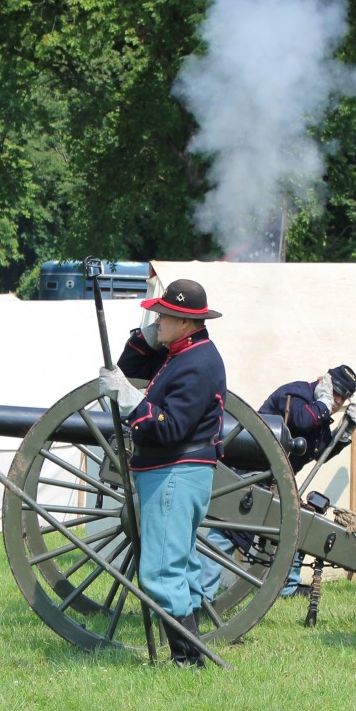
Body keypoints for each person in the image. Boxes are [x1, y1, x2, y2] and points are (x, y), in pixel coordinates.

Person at [98, 279, 226, 667]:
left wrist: (132, 400)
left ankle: (189, 660)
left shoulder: (197, 363)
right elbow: (128, 368)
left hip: (175, 470)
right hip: (172, 471)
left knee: (159, 572)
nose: (157, 320)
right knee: (180, 569)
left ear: (186, 322)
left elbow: (170, 427)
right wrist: (145, 339)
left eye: (163, 316)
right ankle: (190, 656)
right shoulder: (180, 353)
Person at [257, 365, 356, 596]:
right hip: (253, 473)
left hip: (278, 480)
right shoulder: (295, 395)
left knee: (300, 522)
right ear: (323, 381)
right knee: (227, 535)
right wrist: (324, 403)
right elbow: (302, 420)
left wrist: (344, 434)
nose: (337, 401)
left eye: (342, 397)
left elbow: (319, 452)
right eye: (335, 392)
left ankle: (288, 586)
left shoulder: (321, 410)